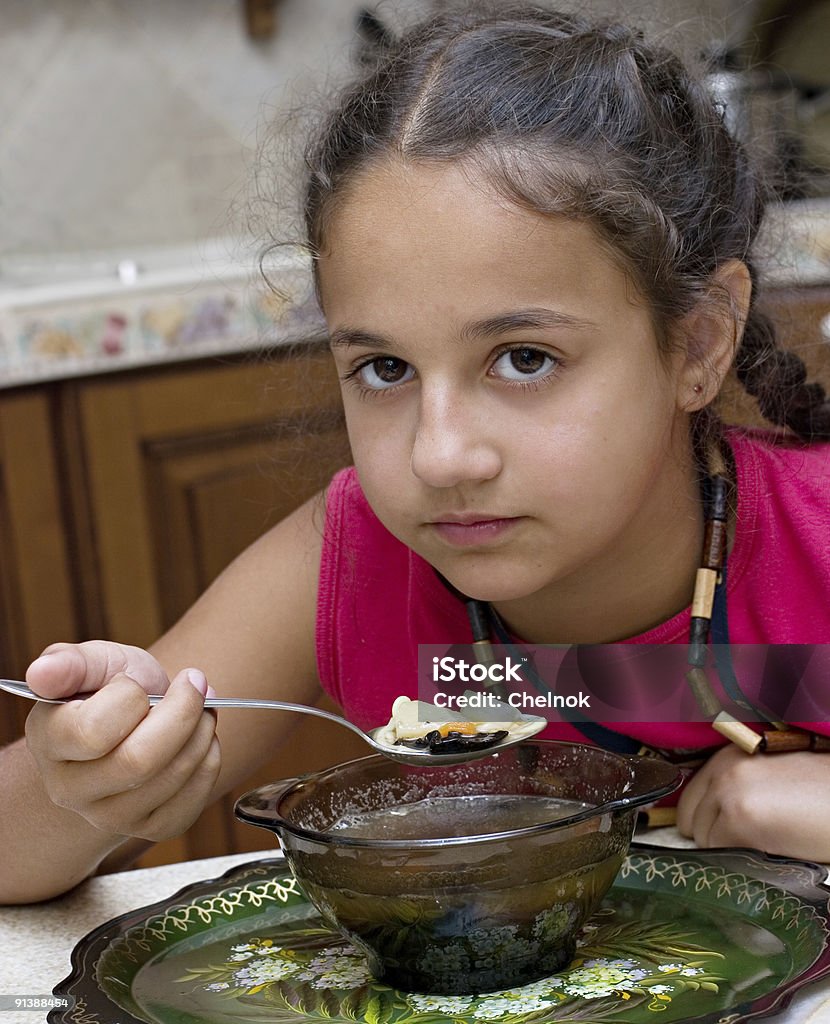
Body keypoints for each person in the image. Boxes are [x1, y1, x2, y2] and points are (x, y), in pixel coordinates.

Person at [2, 1, 829, 904]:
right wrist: (78, 787)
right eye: (386, 367)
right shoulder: (355, 553)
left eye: (524, 360)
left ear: (700, 344)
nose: (440, 457)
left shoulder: (814, 536)